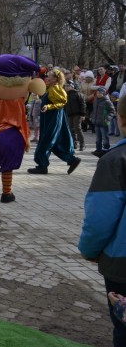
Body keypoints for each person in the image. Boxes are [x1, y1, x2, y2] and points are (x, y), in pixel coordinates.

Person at [78, 95, 126, 346]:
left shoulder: (116, 160)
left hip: (122, 263)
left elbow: (100, 218)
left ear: (120, 119)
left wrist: (89, 249)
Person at [29, 69, 82, 175]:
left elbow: (62, 102)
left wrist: (48, 106)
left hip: (53, 118)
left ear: (56, 79)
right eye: (47, 76)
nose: (47, 78)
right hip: (49, 118)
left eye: (50, 76)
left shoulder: (56, 89)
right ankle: (71, 160)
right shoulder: (51, 88)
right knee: (53, 143)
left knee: (46, 141)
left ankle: (42, 165)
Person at [91, 86, 116, 157]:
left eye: (100, 93)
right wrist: (92, 117)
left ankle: (106, 150)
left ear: (104, 93)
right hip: (96, 122)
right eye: (97, 93)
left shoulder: (107, 101)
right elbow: (94, 111)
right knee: (98, 137)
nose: (98, 94)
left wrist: (108, 118)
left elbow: (112, 111)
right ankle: (98, 150)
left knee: (105, 137)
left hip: (104, 122)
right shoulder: (95, 100)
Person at [64, 80, 86, 152]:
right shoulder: (65, 94)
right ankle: (74, 143)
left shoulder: (78, 94)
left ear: (72, 86)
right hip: (69, 114)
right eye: (65, 86)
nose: (66, 87)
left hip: (77, 114)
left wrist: (83, 114)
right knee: (71, 129)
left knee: (77, 128)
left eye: (68, 86)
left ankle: (82, 144)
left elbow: (82, 105)